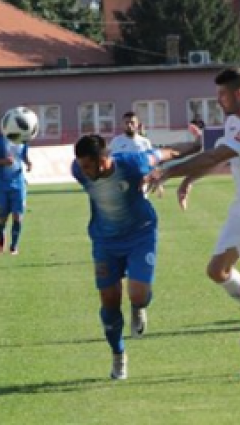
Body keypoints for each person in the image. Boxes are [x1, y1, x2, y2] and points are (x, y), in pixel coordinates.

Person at [147, 67, 240, 377]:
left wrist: (167, 171)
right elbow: (224, 157)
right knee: (217, 270)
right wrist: (189, 179)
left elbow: (214, 156)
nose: (219, 101)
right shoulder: (234, 120)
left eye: (223, 95)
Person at [72, 133, 201, 380]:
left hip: (140, 235)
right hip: (105, 241)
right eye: (80, 166)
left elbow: (168, 153)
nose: (83, 171)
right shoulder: (78, 170)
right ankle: (118, 355)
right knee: (109, 302)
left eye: (88, 165)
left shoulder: (133, 163)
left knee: (138, 294)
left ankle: (138, 307)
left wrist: (197, 145)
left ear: (103, 159)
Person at [0, 131, 33, 255]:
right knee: (3, 217)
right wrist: (3, 162)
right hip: (2, 184)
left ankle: (14, 246)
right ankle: (1, 233)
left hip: (19, 182)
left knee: (18, 215)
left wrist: (28, 163)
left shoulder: (23, 140)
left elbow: (23, 155)